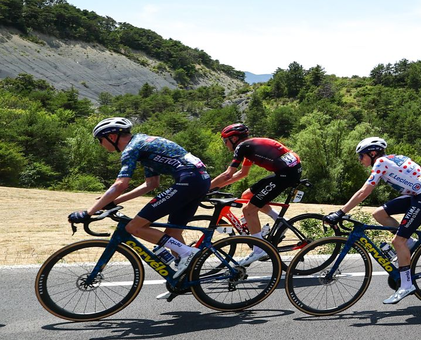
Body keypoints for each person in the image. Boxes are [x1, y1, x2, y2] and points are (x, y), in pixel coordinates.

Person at [70, 117, 211, 275]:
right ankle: (185, 276)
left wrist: (88, 213)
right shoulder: (143, 145)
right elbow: (151, 184)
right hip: (200, 180)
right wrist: (114, 202)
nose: (100, 144)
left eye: (100, 140)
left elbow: (120, 184)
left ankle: (188, 253)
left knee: (134, 227)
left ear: (112, 137)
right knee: (173, 232)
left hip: (188, 181)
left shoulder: (131, 149)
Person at [324, 137, 421, 305]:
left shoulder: (381, 163)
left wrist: (340, 212)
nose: (360, 160)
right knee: (379, 214)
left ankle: (406, 285)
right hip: (419, 193)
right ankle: (409, 244)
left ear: (372, 153)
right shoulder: (390, 159)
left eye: (361, 156)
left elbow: (364, 192)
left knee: (397, 242)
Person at [208, 123, 303, 265]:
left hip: (286, 174)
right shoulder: (249, 147)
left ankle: (259, 250)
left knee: (248, 210)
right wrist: (217, 187)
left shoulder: (242, 147)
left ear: (234, 138)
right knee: (246, 196)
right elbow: (242, 173)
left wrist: (206, 188)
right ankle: (281, 222)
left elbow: (228, 174)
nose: (225, 144)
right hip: (287, 171)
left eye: (225, 141)